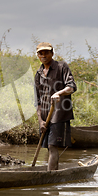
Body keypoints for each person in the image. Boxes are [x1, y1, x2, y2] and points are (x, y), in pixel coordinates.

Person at [34, 42, 77, 171]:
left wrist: (58, 93)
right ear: (38, 56)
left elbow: (72, 87)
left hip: (59, 114)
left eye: (46, 52)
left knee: (53, 146)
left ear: (52, 53)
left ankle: (51, 177)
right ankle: (53, 172)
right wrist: (40, 121)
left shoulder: (61, 67)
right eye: (41, 53)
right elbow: (37, 101)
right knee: (48, 147)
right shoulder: (39, 73)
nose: (44, 55)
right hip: (45, 116)